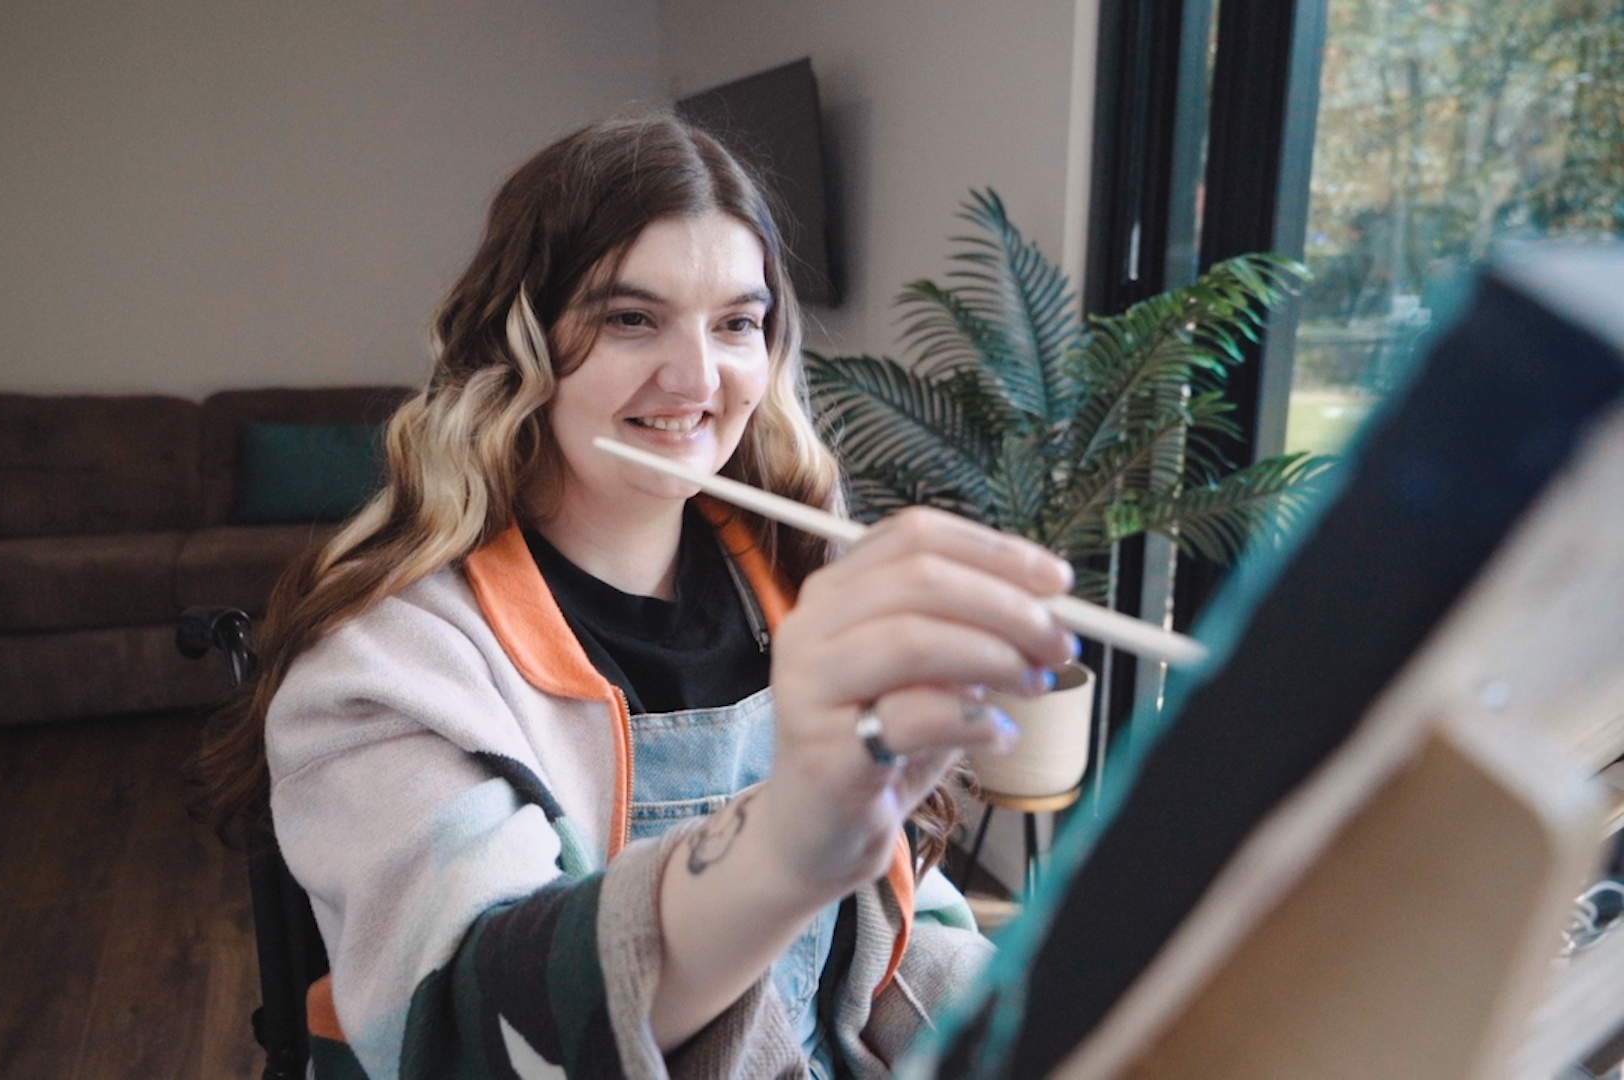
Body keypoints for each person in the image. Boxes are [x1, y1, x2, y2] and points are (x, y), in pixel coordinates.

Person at [193, 114, 1077, 1079]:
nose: (697, 380)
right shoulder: (387, 665)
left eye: (738, 322)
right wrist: (788, 837)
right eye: (631, 319)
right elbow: (476, 1032)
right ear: (514, 342)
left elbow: (903, 934)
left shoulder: (795, 592)